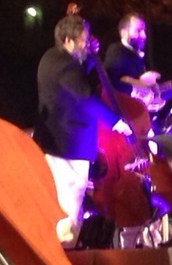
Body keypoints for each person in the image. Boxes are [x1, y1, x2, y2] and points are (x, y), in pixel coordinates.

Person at [34, 13, 118, 244]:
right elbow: (86, 96)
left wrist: (90, 57)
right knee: (69, 203)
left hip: (58, 143)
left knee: (66, 202)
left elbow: (78, 75)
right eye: (83, 40)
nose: (86, 44)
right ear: (68, 40)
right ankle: (66, 256)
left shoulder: (52, 59)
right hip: (68, 145)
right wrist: (116, 121)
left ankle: (65, 249)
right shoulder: (65, 66)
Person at [103, 12, 172, 111]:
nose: (144, 36)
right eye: (138, 30)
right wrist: (138, 87)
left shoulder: (138, 58)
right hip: (122, 117)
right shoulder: (117, 50)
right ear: (124, 33)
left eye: (144, 31)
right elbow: (110, 83)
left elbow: (153, 94)